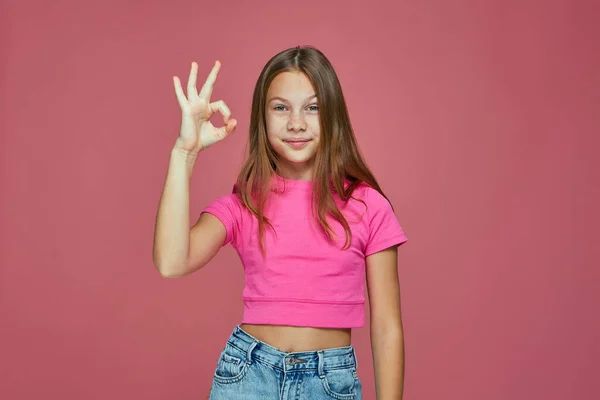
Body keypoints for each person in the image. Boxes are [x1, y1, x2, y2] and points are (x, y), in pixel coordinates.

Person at [153, 46, 408, 400]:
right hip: (245, 377)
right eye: (280, 108)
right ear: (263, 117)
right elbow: (171, 261)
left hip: (329, 384)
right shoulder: (246, 204)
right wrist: (184, 153)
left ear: (332, 115)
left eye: (312, 107)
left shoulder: (368, 206)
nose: (296, 123)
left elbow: (386, 328)